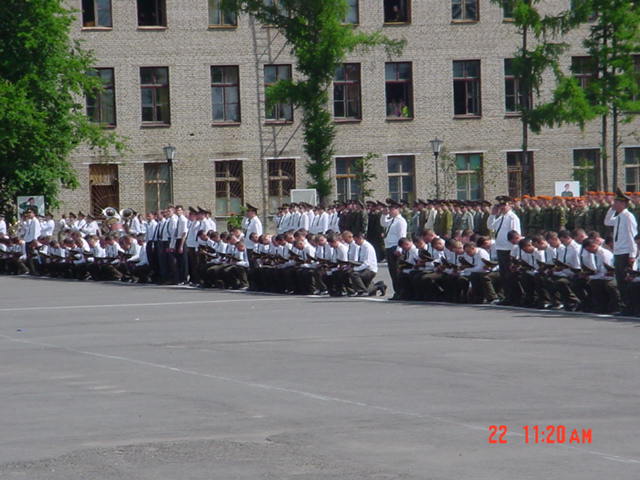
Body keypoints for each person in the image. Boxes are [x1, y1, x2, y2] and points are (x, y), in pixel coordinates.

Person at [380, 200, 408, 300]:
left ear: (397, 209)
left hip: (395, 248)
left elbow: (402, 236)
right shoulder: (392, 220)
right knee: (392, 272)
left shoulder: (401, 221)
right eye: (390, 209)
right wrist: (384, 215)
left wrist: (399, 248)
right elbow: (383, 223)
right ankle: (397, 292)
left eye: (392, 209)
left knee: (397, 272)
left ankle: (401, 292)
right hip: (389, 247)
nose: (390, 211)